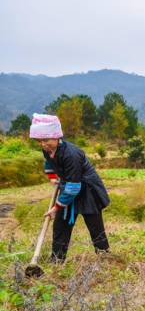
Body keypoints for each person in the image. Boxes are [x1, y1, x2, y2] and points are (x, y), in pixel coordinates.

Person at [29, 113, 111, 263]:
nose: (43, 144)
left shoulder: (71, 154)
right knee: (61, 224)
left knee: (95, 225)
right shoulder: (48, 149)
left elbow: (74, 186)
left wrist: (56, 207)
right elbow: (49, 162)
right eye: (39, 141)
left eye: (46, 140)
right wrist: (53, 178)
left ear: (56, 137)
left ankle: (104, 258)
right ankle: (57, 260)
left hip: (87, 190)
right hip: (68, 186)